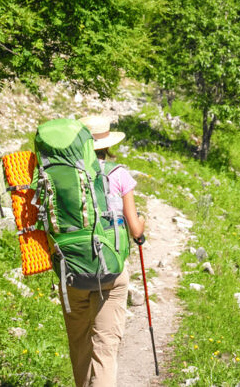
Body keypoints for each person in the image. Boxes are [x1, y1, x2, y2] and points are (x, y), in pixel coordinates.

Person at [61, 115, 145, 387]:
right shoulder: (118, 173)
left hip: (72, 270)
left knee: (80, 346)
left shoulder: (66, 176)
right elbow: (135, 229)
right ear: (108, 144)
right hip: (111, 272)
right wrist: (142, 224)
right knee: (105, 349)